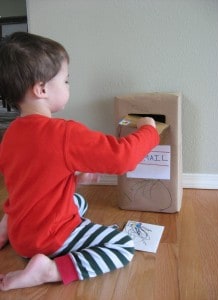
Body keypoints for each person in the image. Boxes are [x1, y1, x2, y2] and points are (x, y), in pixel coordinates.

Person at [0, 32, 159, 291]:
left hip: (22, 230)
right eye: (66, 80)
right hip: (47, 239)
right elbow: (123, 158)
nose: (68, 85)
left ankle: (5, 228)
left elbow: (32, 181)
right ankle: (49, 270)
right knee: (122, 245)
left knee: (79, 201)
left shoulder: (11, 134)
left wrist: (74, 179)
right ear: (41, 89)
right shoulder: (64, 133)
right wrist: (148, 131)